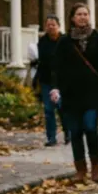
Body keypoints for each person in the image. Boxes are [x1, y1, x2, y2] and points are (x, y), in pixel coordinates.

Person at [50, 4, 98, 183]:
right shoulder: (65, 41)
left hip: (92, 93)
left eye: (86, 14)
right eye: (79, 14)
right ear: (72, 18)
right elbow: (56, 67)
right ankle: (80, 170)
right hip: (70, 94)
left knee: (90, 128)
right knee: (75, 132)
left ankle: (96, 166)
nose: (83, 17)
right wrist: (55, 87)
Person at [36, 15, 67, 147]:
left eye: (53, 24)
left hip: (62, 80)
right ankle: (51, 138)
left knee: (62, 108)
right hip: (46, 80)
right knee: (48, 110)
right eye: (48, 24)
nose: (50, 27)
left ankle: (68, 133)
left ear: (58, 26)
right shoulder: (42, 41)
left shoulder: (65, 41)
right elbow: (41, 61)